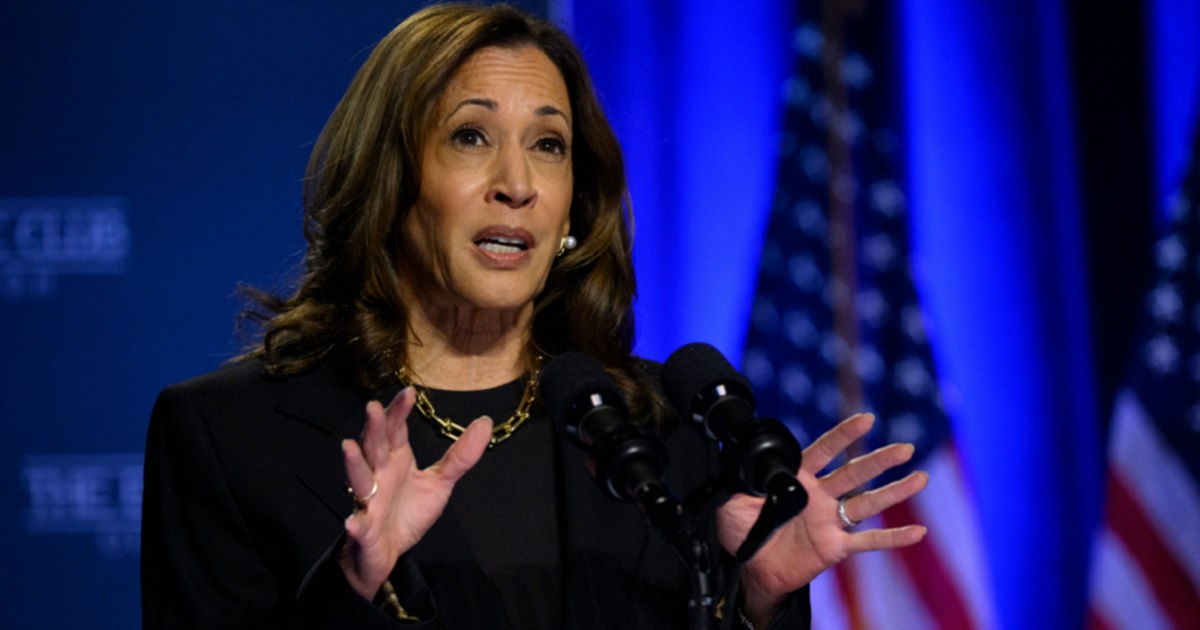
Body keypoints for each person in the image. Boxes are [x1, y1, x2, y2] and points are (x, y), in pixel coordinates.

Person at [140, 3, 929, 628]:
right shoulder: (229, 438)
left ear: (573, 210)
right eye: (470, 136)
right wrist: (357, 588)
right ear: (392, 184)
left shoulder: (668, 437)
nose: (515, 182)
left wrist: (755, 603)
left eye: (549, 145)